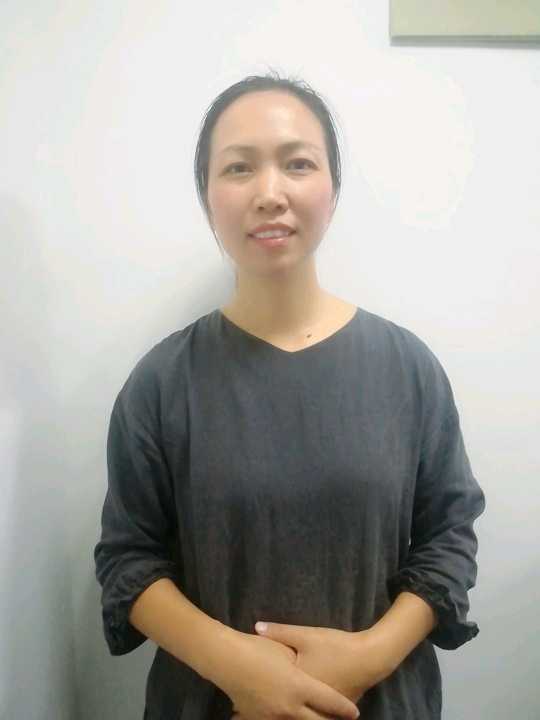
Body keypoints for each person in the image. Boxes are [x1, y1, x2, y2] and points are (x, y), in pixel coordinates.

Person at [94, 70, 486, 720]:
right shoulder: (160, 383)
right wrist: (237, 666)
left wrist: (369, 657)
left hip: (382, 701)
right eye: (239, 168)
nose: (270, 194)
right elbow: (128, 559)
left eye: (297, 163)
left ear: (333, 188)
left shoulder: (408, 369)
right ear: (207, 196)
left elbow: (448, 536)